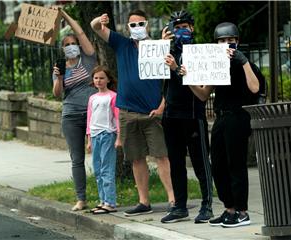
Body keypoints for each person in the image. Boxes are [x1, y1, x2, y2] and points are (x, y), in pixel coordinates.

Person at [90, 10, 175, 216]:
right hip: (127, 112)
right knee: (137, 158)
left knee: (161, 155)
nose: (137, 28)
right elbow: (95, 28)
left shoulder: (157, 47)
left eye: (141, 24)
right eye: (133, 25)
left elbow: (170, 80)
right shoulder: (122, 44)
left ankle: (173, 198)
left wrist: (163, 105)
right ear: (127, 28)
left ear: (147, 25)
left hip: (152, 112)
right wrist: (99, 21)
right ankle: (143, 201)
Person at [185, 22, 261, 227]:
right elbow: (203, 94)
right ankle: (230, 208)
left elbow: (255, 88)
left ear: (237, 42)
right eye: (222, 41)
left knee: (235, 164)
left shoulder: (246, 65)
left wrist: (243, 61)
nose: (226, 44)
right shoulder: (216, 65)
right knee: (218, 165)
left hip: (239, 116)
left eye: (231, 40)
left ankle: (243, 212)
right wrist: (187, 77)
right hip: (221, 118)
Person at [161, 10, 214, 224]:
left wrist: (176, 69)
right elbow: (154, 75)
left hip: (193, 115)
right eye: (177, 26)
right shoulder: (168, 51)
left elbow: (201, 89)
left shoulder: (201, 53)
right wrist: (161, 46)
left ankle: (207, 205)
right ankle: (180, 206)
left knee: (201, 163)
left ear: (192, 28)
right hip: (171, 115)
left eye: (185, 26)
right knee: (176, 163)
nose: (181, 30)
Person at [52, 9, 97, 211]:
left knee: (100, 156)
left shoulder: (87, 60)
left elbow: (80, 32)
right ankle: (81, 198)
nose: (71, 47)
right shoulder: (60, 67)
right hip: (70, 116)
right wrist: (59, 78)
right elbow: (57, 93)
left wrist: (64, 15)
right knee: (76, 159)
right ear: (62, 49)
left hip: (92, 114)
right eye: (66, 45)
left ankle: (106, 197)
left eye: (73, 44)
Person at [86, 66, 121, 214]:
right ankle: (102, 200)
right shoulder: (92, 98)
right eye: (96, 78)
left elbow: (118, 118)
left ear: (108, 79)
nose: (98, 81)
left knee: (107, 169)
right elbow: (89, 119)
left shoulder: (113, 96)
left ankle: (110, 202)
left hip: (107, 134)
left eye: (101, 78)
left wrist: (119, 137)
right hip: (94, 136)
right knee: (98, 170)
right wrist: (88, 140)